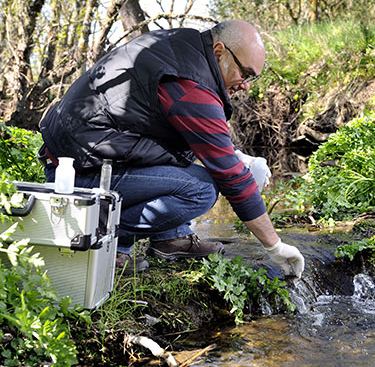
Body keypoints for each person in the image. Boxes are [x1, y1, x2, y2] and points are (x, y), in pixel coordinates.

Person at [37, 20, 305, 278]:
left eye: (252, 78)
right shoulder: (189, 82)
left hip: (89, 156)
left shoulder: (183, 49)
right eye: (245, 73)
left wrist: (237, 155)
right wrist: (275, 247)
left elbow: (197, 133)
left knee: (188, 166)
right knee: (202, 189)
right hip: (78, 173)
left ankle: (169, 239)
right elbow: (231, 177)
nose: (245, 85)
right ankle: (103, 232)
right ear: (220, 51)